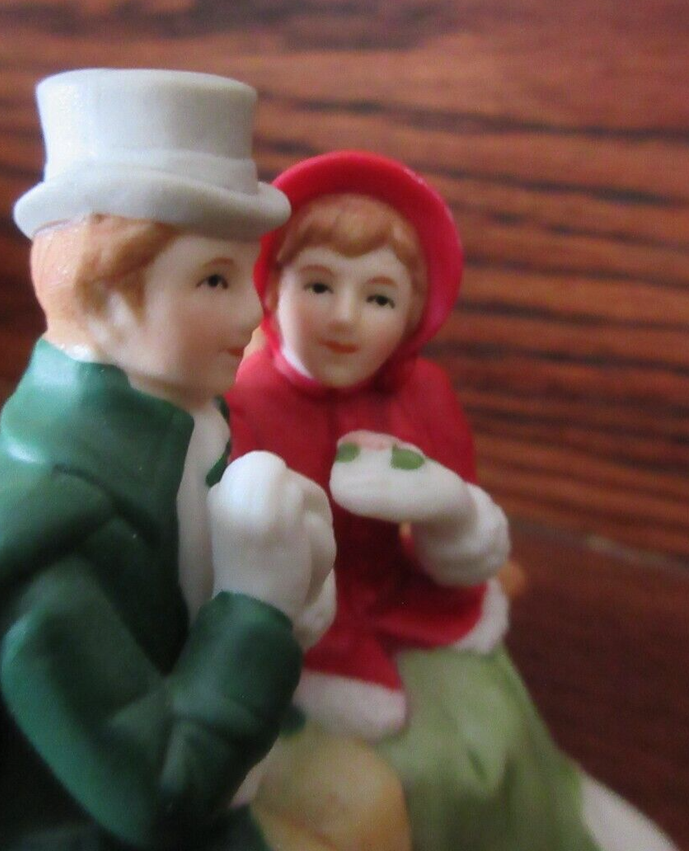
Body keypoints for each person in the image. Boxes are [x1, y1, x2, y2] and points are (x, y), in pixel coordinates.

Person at [0, 70, 335, 851]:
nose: (251, 311)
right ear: (109, 298)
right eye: (214, 279)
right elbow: (157, 791)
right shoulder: (50, 556)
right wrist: (256, 605)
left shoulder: (190, 432)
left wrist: (292, 591)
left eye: (245, 273)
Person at [227, 150, 677, 851]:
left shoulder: (421, 393)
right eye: (318, 285)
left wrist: (446, 510)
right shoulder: (243, 403)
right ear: (273, 288)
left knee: (492, 720)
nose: (344, 319)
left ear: (412, 316)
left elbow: (460, 542)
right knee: (425, 772)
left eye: (378, 298)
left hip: (404, 599)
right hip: (298, 637)